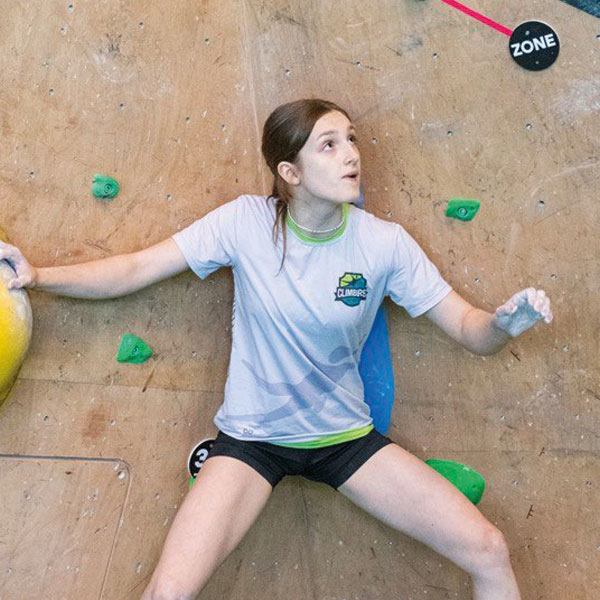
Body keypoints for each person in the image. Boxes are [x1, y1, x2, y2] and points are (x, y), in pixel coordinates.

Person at [0, 98, 552, 600]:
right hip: (252, 443)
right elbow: (136, 268)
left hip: (346, 440)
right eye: (328, 145)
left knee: (489, 550)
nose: (351, 155)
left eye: (351, 139)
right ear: (291, 172)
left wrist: (502, 325)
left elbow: (470, 331)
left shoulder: (384, 244)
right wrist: (40, 275)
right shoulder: (245, 222)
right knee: (167, 593)